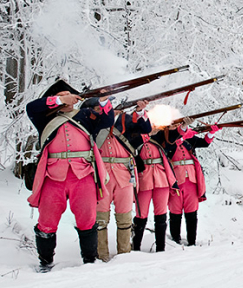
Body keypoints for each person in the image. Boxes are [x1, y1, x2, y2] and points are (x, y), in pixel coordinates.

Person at [25, 80, 114, 269]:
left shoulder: (85, 116)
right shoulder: (44, 117)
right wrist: (58, 100)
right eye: (62, 95)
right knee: (47, 220)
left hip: (83, 174)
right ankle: (46, 261)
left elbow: (107, 121)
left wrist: (105, 101)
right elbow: (30, 107)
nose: (66, 97)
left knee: (87, 218)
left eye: (68, 95)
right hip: (52, 175)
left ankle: (90, 260)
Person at [95, 100, 152, 261]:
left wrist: (140, 111)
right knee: (100, 218)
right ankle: (102, 255)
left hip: (124, 173)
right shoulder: (96, 121)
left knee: (125, 217)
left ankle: (124, 254)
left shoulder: (126, 121)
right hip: (102, 173)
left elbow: (146, 129)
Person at [154, 119, 220, 245]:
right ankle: (175, 240)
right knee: (175, 211)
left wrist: (211, 133)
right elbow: (166, 148)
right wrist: (181, 138)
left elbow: (204, 143)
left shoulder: (188, 138)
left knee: (191, 211)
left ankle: (192, 241)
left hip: (192, 179)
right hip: (175, 180)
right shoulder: (166, 139)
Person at [130, 124, 179, 252]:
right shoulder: (135, 136)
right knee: (141, 215)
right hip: (144, 178)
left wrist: (180, 128)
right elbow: (131, 145)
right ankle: (136, 248)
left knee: (161, 214)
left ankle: (161, 248)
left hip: (161, 178)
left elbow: (171, 142)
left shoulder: (159, 136)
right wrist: (147, 135)